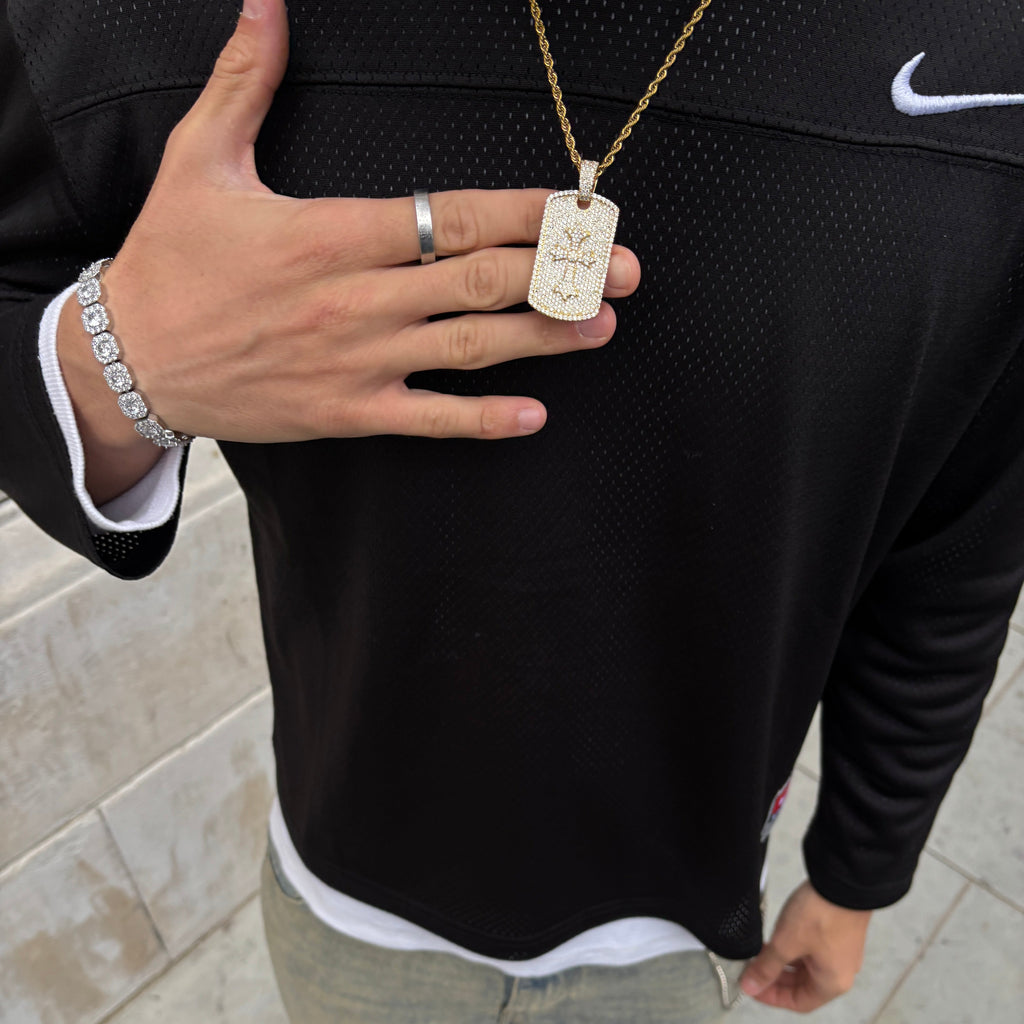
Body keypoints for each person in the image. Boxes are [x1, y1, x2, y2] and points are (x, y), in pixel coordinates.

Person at [2, 0, 1022, 1020]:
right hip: (346, 890)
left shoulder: (988, 60)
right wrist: (116, 365)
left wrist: (858, 868)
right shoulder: (142, 20)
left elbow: (954, 554)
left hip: (679, 922)